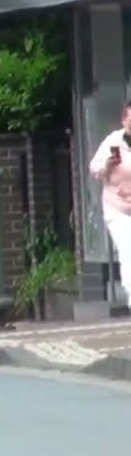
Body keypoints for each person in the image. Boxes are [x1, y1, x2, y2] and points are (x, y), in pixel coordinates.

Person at [89, 102, 131, 306]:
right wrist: (108, 164)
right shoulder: (113, 141)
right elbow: (94, 169)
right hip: (117, 206)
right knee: (128, 248)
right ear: (124, 120)